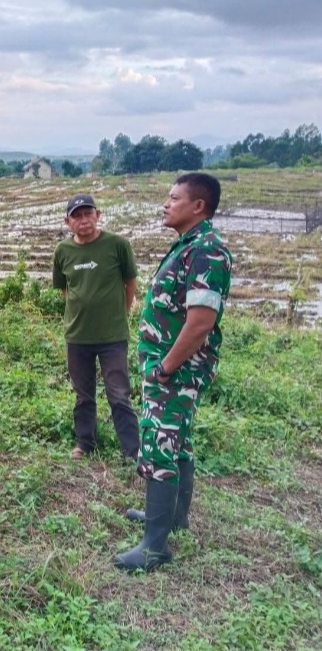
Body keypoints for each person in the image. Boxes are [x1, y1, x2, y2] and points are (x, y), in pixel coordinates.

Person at [114, 172, 232, 572]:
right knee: (176, 440)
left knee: (161, 442)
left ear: (198, 206)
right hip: (168, 367)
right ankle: (171, 518)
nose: (166, 204)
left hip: (175, 370)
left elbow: (199, 322)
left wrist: (165, 367)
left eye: (174, 198)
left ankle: (155, 546)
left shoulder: (206, 251)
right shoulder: (189, 245)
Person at [52, 193, 140, 460]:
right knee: (83, 394)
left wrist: (119, 313)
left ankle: (132, 450)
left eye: (88, 214)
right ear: (68, 222)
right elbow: (64, 290)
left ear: (98, 215)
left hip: (112, 336)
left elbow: (130, 283)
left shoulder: (117, 245)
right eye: (77, 216)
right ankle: (85, 442)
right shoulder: (63, 251)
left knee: (119, 394)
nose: (83, 220)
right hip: (78, 336)